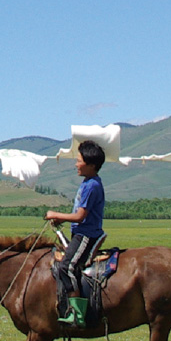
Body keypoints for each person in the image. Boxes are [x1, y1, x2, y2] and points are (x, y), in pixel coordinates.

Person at [44, 139, 106, 325]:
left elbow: (80, 216)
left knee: (66, 267)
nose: (76, 164)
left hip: (87, 235)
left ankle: (77, 314)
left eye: (79, 161)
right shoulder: (88, 183)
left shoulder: (92, 186)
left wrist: (57, 215)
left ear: (91, 165)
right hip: (80, 234)